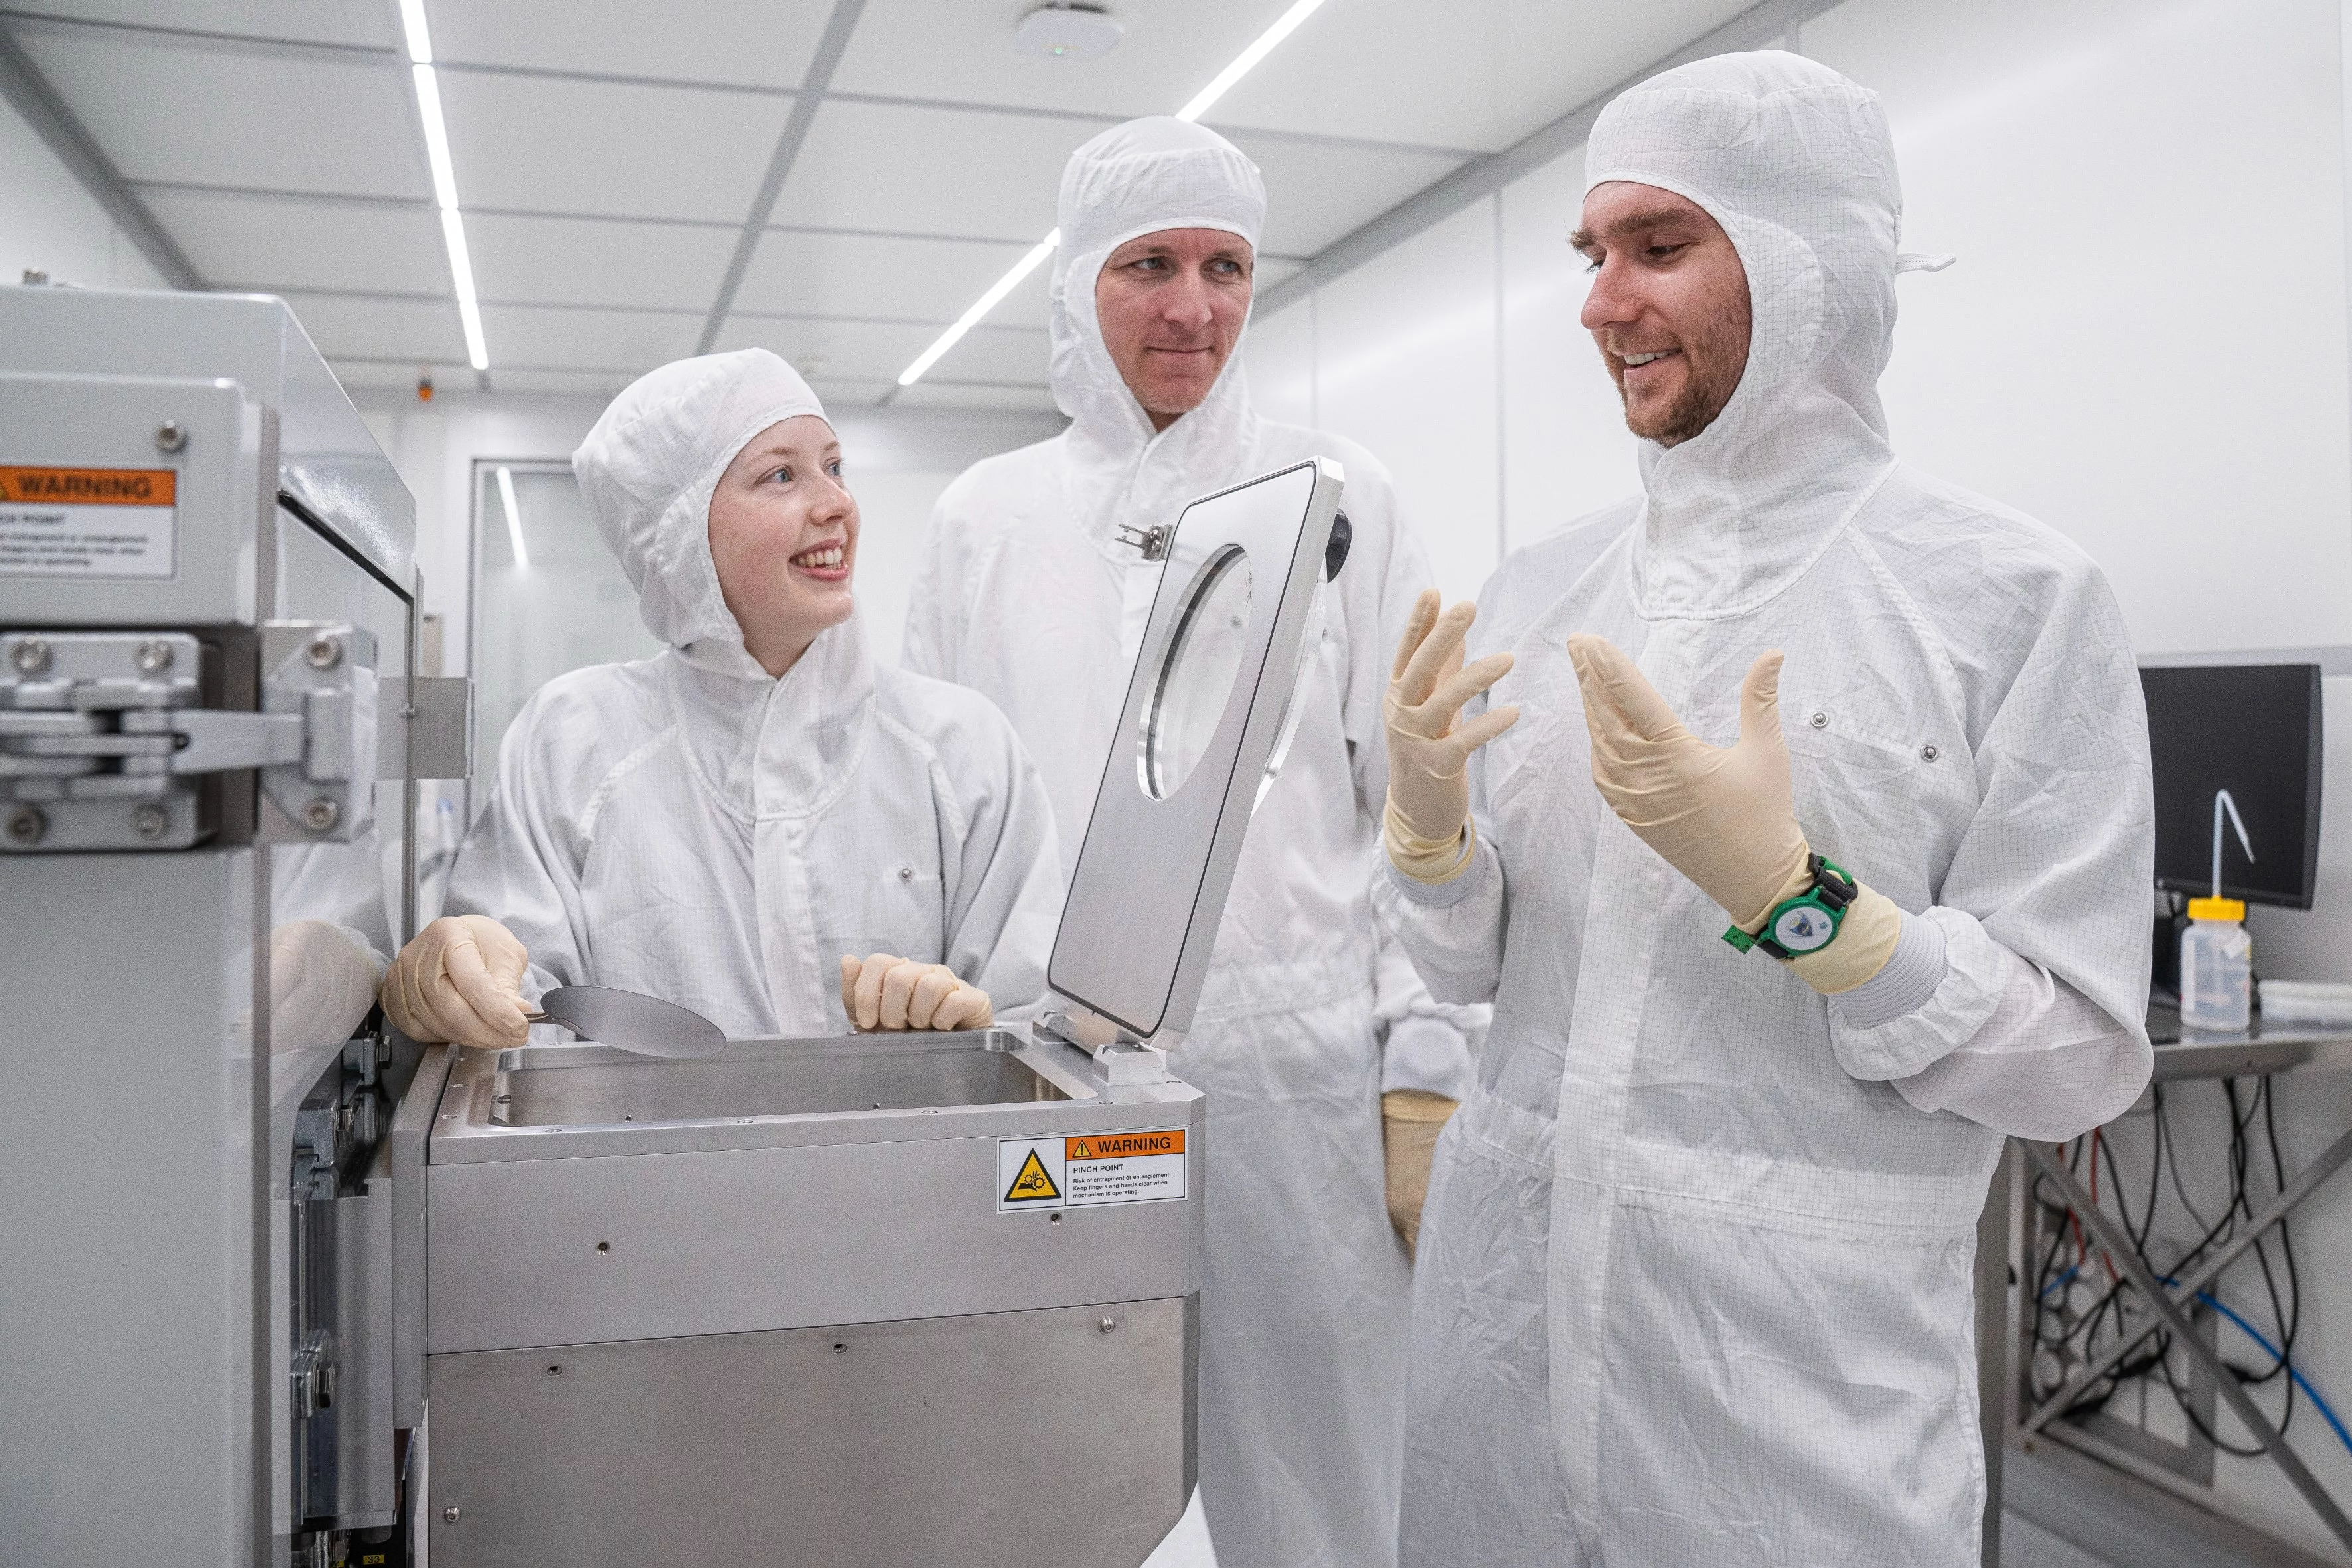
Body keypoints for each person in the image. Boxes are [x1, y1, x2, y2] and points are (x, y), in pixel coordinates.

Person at [1375, 53, 2154, 1567]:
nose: (1602, 303)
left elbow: (2078, 1060)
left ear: (1812, 271)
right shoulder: (1549, 585)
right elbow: (1474, 978)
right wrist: (1429, 844)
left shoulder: (2005, 599)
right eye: (1590, 255)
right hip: (1500, 1372)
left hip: (1792, 1421)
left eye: (1660, 247)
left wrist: (1811, 909)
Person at [903, 118, 1476, 1568]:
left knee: (1324, 1468)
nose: (1192, 306)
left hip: (1299, 1083)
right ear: (1075, 290)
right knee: (1047, 1462)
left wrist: (1420, 1071)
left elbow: (1415, 802)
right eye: (1146, 265)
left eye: (1225, 265)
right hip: (1054, 1077)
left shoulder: (1338, 495)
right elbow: (934, 822)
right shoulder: (987, 519)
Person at [383, 350, 1059, 1049]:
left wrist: (968, 1035)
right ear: (678, 537)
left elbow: (1035, 1028)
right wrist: (455, 990)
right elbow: (513, 1035)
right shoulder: (573, 741)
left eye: (833, 466)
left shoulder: (960, 745)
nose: (837, 503)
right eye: (780, 475)